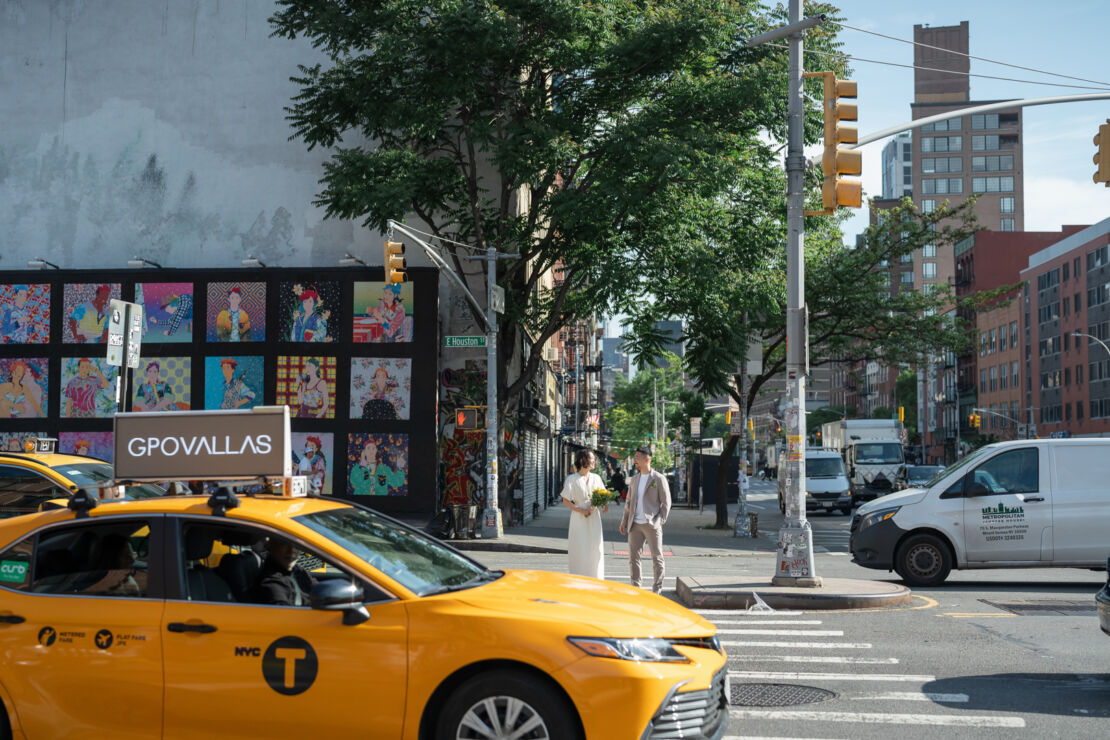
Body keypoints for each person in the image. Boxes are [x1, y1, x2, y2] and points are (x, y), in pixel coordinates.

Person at [619, 445, 671, 594]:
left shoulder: (658, 479)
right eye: (634, 457)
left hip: (652, 524)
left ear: (647, 459)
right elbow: (628, 503)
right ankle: (636, 588)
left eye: (637, 457)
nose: (635, 460)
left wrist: (659, 521)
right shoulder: (634, 479)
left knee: (657, 557)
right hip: (635, 524)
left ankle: (657, 589)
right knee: (634, 558)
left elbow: (666, 504)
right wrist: (624, 521)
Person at [561, 449, 607, 579]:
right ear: (582, 460)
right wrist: (580, 510)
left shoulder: (596, 478)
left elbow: (603, 495)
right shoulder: (572, 479)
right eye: (591, 459)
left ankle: (596, 577)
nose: (594, 461)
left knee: (595, 548)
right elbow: (565, 500)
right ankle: (578, 577)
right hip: (578, 518)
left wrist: (604, 504)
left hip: (594, 517)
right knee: (579, 547)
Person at [250, 538, 317, 606]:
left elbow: (317, 587)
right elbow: (284, 614)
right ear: (271, 545)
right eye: (284, 543)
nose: (292, 550)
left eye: (296, 545)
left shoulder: (296, 570)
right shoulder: (271, 583)